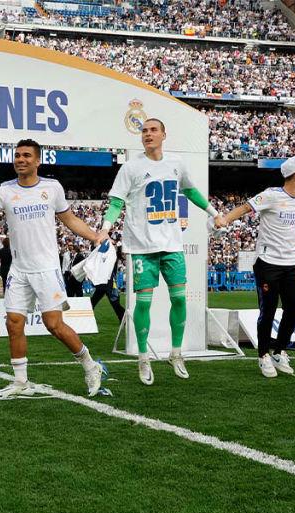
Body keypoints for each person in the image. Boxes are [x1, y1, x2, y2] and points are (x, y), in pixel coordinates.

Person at [0, 139, 108, 397]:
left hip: (47, 268)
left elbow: (70, 219)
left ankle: (89, 364)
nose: (20, 160)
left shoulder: (52, 188)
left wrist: (94, 236)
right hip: (19, 269)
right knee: (14, 323)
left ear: (37, 160)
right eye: (17, 155)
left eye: (27, 155)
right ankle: (20, 382)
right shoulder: (4, 191)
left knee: (54, 325)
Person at [99, 118, 220, 385]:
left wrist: (214, 213)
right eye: (144, 131)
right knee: (144, 303)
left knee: (179, 300)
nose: (148, 134)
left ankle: (176, 353)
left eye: (153, 130)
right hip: (142, 247)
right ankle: (143, 357)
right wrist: (105, 227)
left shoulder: (176, 164)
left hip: (172, 245)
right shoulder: (130, 167)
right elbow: (117, 202)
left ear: (164, 134)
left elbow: (190, 192)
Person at [215, 154, 295, 378]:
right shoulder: (270, 195)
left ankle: (279, 351)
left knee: (294, 310)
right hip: (268, 264)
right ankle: (263, 356)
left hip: (291, 264)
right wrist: (225, 219)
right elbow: (245, 208)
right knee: (267, 312)